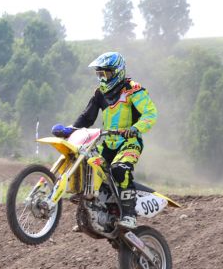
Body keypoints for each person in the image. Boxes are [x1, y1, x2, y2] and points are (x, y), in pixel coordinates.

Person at [54, 52, 158, 229]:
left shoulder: (133, 89)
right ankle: (91, 213)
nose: (102, 78)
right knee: (88, 164)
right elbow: (87, 117)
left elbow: (150, 114)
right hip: (107, 143)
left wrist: (135, 129)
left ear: (117, 72)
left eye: (105, 74)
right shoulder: (100, 93)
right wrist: (70, 129)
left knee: (119, 169)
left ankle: (129, 215)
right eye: (99, 74)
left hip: (129, 142)